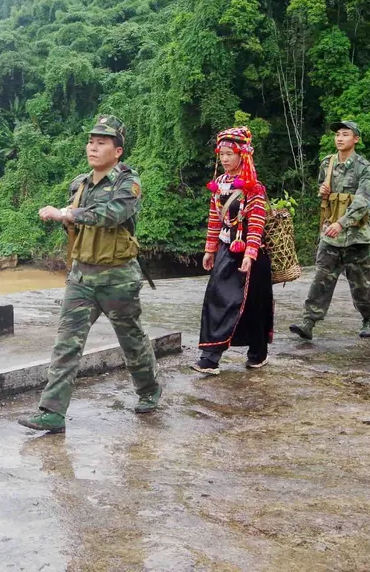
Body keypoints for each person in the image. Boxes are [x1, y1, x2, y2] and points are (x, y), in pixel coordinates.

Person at [19, 115, 161, 434]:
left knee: (131, 339)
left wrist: (68, 213)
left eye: (102, 143)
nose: (93, 147)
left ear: (118, 151)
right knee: (67, 342)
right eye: (91, 141)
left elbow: (113, 215)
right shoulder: (79, 184)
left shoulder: (128, 182)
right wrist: (68, 219)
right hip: (82, 278)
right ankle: (52, 412)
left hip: (118, 278)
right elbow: (78, 224)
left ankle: (149, 390)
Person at [191, 126, 274, 375]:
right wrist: (210, 250)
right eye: (222, 154)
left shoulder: (253, 187)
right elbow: (214, 219)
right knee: (219, 299)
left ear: (242, 155)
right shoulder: (219, 184)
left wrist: (249, 255)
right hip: (227, 250)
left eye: (230, 153)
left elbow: (257, 222)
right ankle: (210, 357)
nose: (225, 158)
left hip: (250, 255)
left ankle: (257, 353)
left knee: (253, 305)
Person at [290, 121, 370, 340]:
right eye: (337, 134)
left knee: (360, 284)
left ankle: (368, 318)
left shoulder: (364, 167)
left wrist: (341, 223)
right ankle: (308, 322)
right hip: (330, 235)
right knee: (321, 278)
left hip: (356, 236)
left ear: (355, 139)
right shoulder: (327, 164)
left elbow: (362, 201)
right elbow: (324, 194)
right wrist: (323, 191)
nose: (339, 138)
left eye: (345, 134)